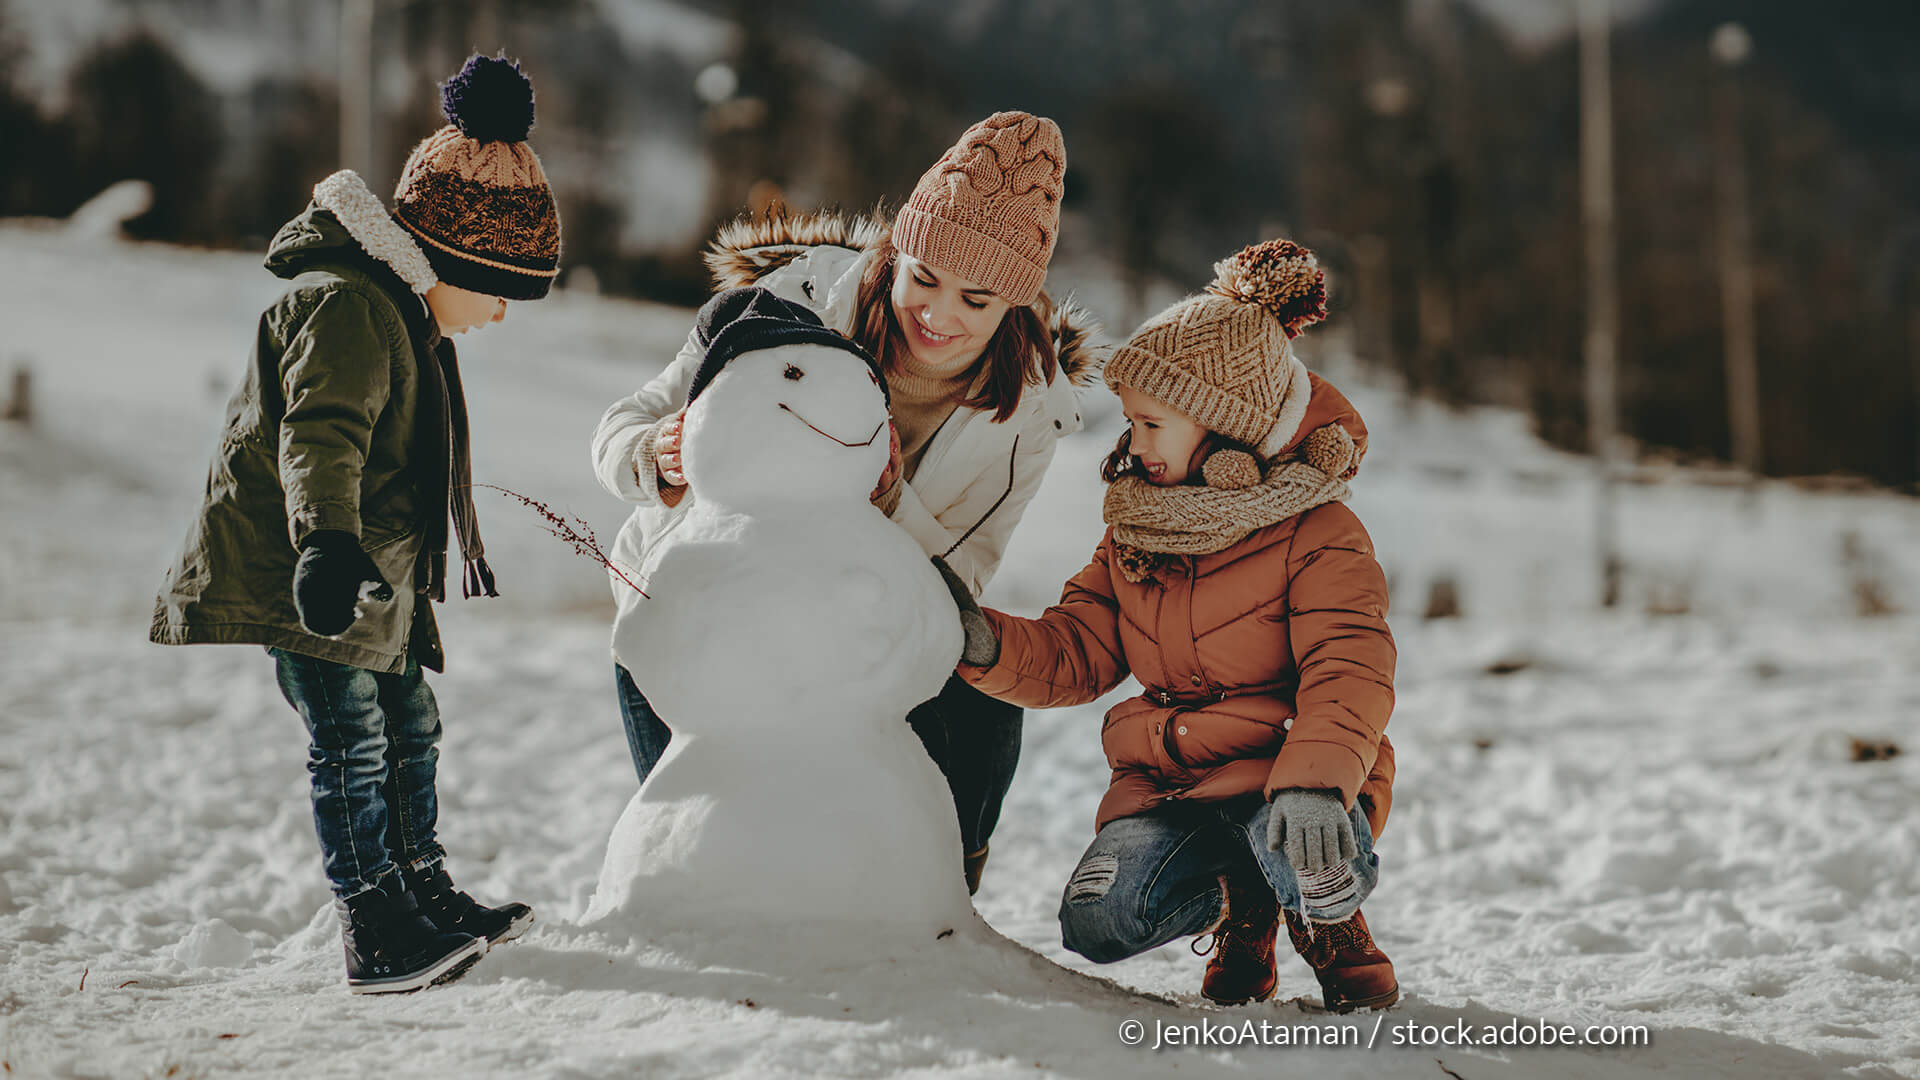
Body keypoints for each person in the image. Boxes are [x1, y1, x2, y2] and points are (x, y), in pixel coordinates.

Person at [591, 111, 1094, 894]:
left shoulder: (1028, 413)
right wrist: (654, 453)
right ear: (895, 254)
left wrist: (885, 497)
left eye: (977, 299)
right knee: (709, 828)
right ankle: (690, 879)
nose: (939, 315)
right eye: (922, 277)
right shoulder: (791, 301)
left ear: (1015, 307)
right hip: (708, 588)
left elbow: (960, 579)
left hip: (861, 612)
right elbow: (626, 420)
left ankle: (935, 891)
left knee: (987, 696)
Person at [150, 55, 558, 994]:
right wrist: (327, 542)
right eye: (501, 292)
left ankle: (421, 889)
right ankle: (374, 922)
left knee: (410, 724)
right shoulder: (348, 308)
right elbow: (320, 436)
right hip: (319, 574)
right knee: (353, 742)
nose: (499, 316)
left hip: (372, 578)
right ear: (457, 260)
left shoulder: (399, 313)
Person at [943, 240, 1400, 1010]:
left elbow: (1348, 668)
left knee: (1306, 854)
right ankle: (1241, 906)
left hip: (1291, 776)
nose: (1134, 442)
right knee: (1097, 918)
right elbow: (1078, 647)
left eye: (1154, 424)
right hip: (1171, 785)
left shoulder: (1319, 532)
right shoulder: (1136, 531)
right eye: (1132, 421)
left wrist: (1319, 785)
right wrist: (985, 643)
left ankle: (1328, 920)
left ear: (1225, 433)